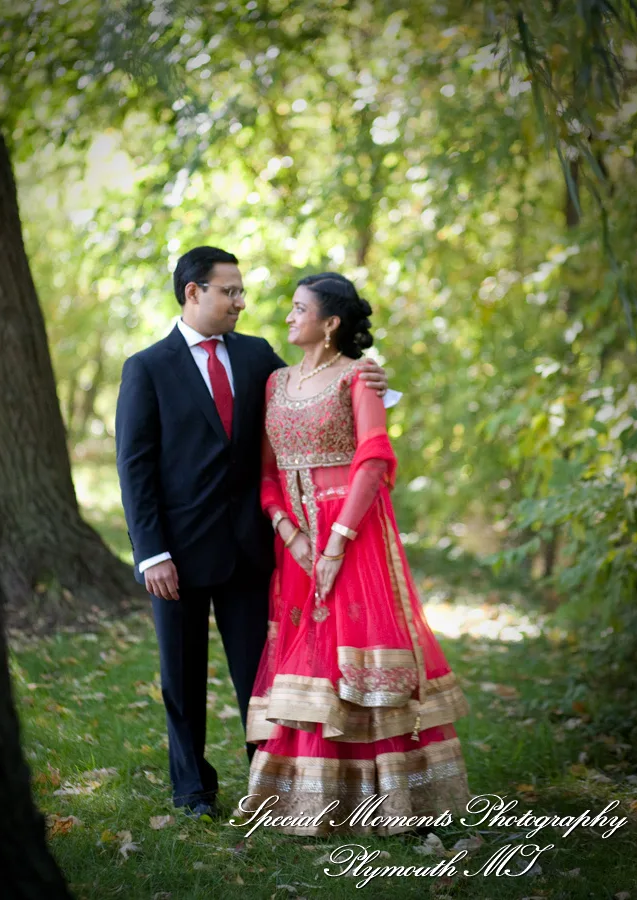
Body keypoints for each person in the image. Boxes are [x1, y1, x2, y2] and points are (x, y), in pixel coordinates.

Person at [115, 247, 393, 819]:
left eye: (242, 291)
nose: (242, 301)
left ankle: (268, 784)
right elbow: (134, 468)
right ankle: (193, 791)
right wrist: (151, 554)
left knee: (260, 677)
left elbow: (312, 398)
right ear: (194, 292)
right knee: (182, 678)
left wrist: (375, 382)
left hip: (251, 548)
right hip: (177, 553)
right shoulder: (147, 367)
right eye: (230, 291)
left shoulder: (258, 356)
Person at [242, 272, 470, 835]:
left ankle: (397, 797)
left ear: (331, 321)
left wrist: (337, 543)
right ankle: (309, 798)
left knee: (359, 654)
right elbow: (267, 471)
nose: (290, 316)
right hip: (295, 540)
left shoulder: (358, 379)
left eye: (300, 309)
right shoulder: (274, 383)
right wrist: (292, 535)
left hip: (355, 533)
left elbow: (373, 458)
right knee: (308, 655)